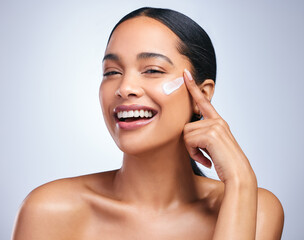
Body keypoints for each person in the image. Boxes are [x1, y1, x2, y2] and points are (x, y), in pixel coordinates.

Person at [12, 7, 284, 239]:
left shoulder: (255, 206)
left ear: (202, 93)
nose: (125, 87)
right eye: (112, 72)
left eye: (152, 70)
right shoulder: (49, 210)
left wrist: (239, 180)